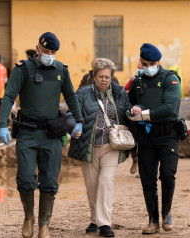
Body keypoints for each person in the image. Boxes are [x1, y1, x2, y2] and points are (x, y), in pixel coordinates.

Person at [0, 32, 83, 238]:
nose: (49, 55)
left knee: (50, 181)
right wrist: (2, 124)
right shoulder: (23, 69)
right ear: (37, 48)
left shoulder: (61, 70)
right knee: (25, 178)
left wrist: (79, 120)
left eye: (53, 52)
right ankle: (29, 217)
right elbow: (9, 96)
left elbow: (71, 96)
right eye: (46, 51)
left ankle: (44, 224)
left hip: (52, 133)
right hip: (27, 132)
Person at [68, 58, 131, 237]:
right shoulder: (82, 93)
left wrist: (136, 110)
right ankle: (95, 219)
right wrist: (73, 126)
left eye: (107, 77)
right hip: (88, 146)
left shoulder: (119, 92)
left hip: (111, 146)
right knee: (92, 186)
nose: (104, 80)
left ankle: (105, 224)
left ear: (111, 77)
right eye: (101, 76)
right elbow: (70, 113)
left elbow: (128, 109)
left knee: (106, 182)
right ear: (93, 76)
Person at [127, 43, 181, 234]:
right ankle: (153, 221)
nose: (147, 67)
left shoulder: (170, 79)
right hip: (146, 137)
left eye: (151, 63)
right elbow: (130, 101)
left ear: (158, 62)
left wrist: (143, 114)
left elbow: (169, 108)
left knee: (167, 174)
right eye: (144, 63)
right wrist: (132, 109)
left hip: (167, 135)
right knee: (147, 179)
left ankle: (166, 214)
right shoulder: (137, 81)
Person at [124, 62, 143, 174]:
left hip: (146, 115)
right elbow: (125, 91)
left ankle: (143, 167)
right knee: (133, 139)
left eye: (142, 68)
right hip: (134, 115)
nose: (140, 70)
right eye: (139, 68)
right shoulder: (133, 80)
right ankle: (135, 160)